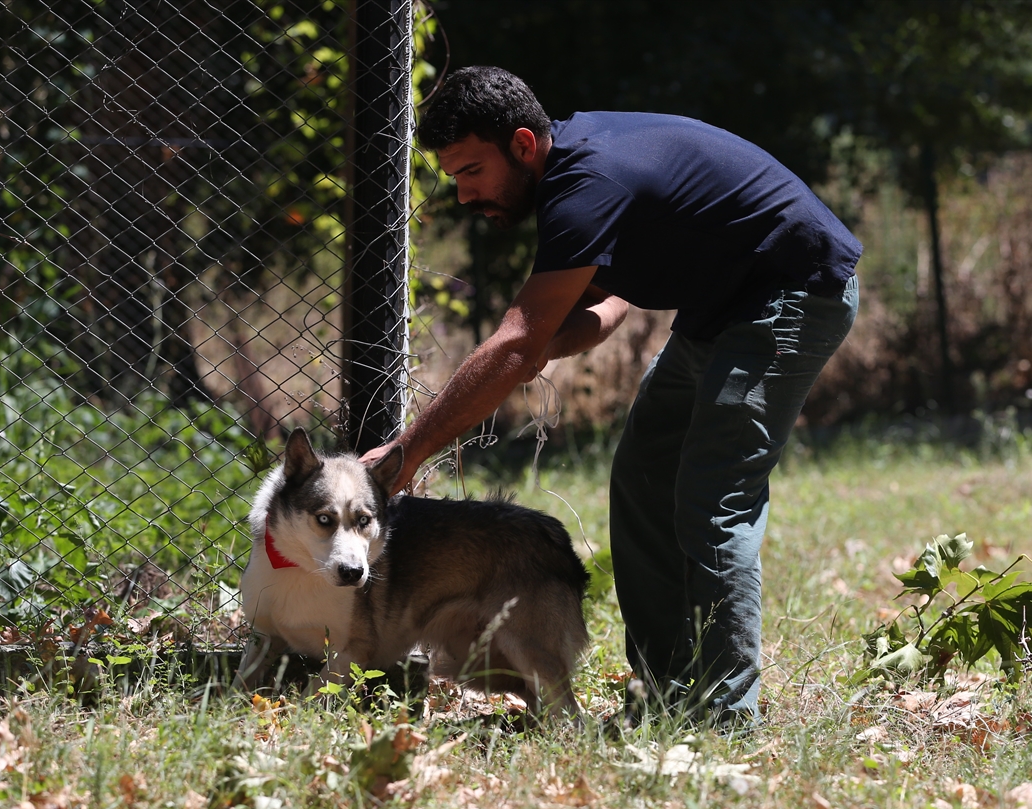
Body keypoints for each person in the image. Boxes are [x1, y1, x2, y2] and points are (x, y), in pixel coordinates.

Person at [361, 66, 861, 727]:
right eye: (455, 177)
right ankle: (669, 691)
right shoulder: (577, 171)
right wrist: (533, 348)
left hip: (791, 294)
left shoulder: (585, 183)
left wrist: (408, 451)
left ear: (521, 144)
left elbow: (517, 342)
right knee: (643, 476)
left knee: (713, 500)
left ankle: (727, 715)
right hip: (723, 309)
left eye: (471, 171)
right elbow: (608, 306)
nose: (464, 194)